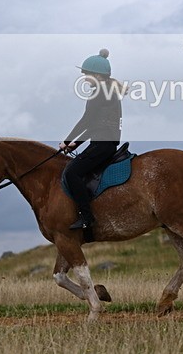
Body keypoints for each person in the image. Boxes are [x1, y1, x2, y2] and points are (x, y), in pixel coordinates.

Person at [60, 49, 124, 230]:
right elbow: (93, 125)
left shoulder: (100, 93)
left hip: (102, 144)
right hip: (104, 142)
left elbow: (87, 121)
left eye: (86, 74)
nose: (85, 78)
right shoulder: (107, 90)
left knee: (71, 173)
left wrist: (68, 141)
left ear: (97, 74)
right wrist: (75, 143)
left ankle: (87, 217)